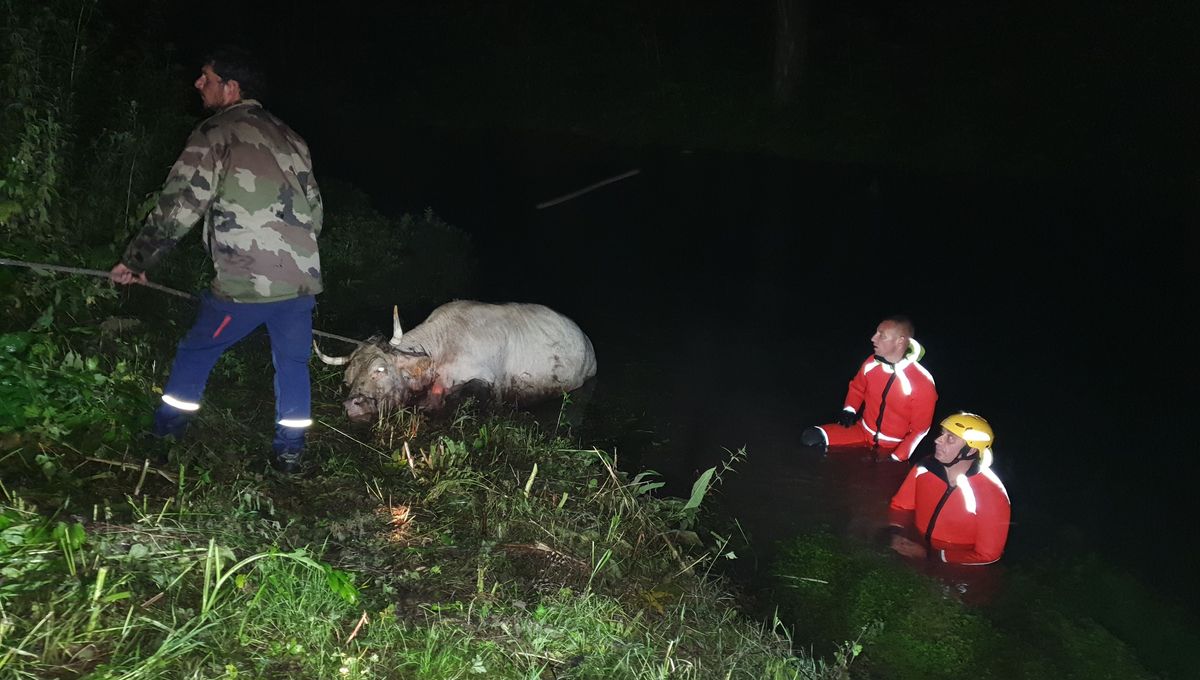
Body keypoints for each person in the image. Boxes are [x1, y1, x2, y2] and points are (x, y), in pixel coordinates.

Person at [110, 46, 323, 474]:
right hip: (300, 281)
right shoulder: (292, 137)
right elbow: (315, 210)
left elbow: (177, 207)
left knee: (195, 351)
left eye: (205, 76)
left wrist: (136, 261)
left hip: (245, 284)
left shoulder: (216, 132)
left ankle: (163, 437)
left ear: (231, 87)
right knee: (293, 362)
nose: (197, 83)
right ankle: (290, 453)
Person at [800, 316, 936, 461]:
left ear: (900, 341)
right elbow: (857, 388)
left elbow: (920, 430)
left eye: (881, 336)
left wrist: (897, 457)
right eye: (876, 333)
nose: (873, 338)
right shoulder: (871, 362)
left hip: (892, 446)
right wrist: (849, 410)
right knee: (810, 438)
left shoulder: (923, 381)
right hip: (862, 431)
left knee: (876, 477)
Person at [888, 412, 1011, 565]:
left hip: (951, 565)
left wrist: (932, 556)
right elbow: (900, 506)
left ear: (971, 450)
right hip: (914, 542)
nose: (938, 440)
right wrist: (896, 533)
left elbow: (987, 556)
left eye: (950, 438)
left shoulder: (992, 494)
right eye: (942, 434)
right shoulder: (925, 467)